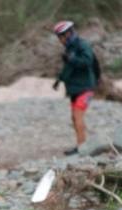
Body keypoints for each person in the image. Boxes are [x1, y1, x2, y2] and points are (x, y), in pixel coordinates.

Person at [51, 21, 96, 156]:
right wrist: (59, 80)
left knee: (78, 117)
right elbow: (69, 68)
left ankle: (82, 148)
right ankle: (82, 144)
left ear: (68, 34)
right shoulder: (70, 48)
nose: (59, 40)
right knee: (74, 118)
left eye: (60, 37)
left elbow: (88, 61)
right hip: (74, 89)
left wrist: (72, 59)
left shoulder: (82, 45)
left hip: (85, 87)